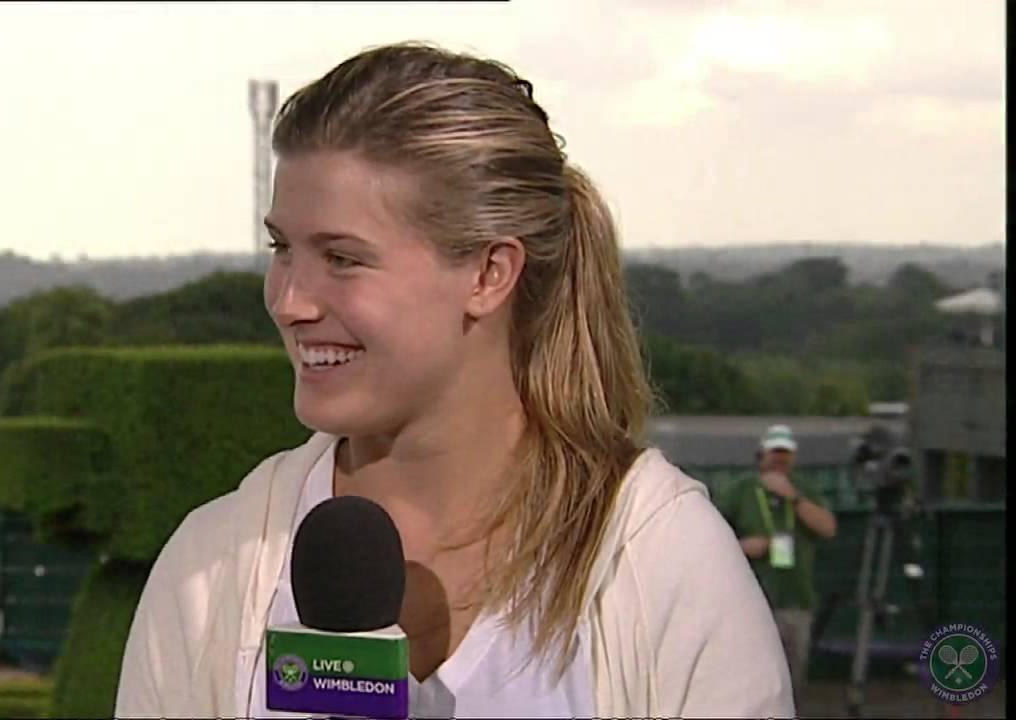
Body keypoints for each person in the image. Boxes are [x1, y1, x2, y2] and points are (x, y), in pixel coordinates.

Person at [115, 42, 792, 719]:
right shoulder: (215, 568)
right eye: (282, 249)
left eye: (342, 258)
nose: (289, 301)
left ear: (489, 275)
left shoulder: (658, 559)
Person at [728, 424, 839, 697]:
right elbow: (711, 536)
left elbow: (828, 528)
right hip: (751, 602)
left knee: (792, 679)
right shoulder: (741, 489)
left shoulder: (803, 489)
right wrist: (742, 547)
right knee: (751, 679)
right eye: (775, 452)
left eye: (785, 453)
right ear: (762, 453)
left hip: (795, 601)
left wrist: (794, 497)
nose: (780, 458)